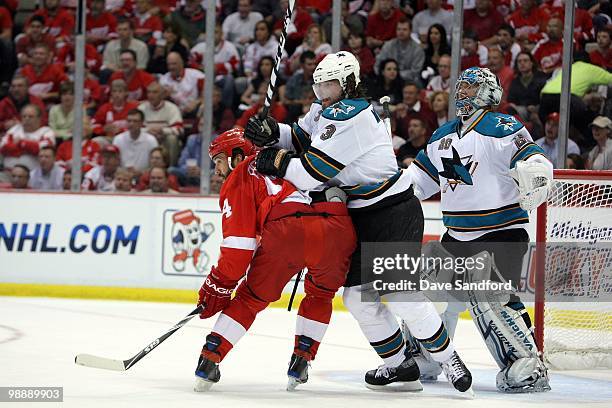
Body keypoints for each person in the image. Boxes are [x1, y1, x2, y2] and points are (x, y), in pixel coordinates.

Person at [244, 51, 473, 394]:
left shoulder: (355, 114)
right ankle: (400, 366)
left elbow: (311, 173)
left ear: (349, 81)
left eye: (330, 84)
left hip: (393, 210)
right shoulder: (328, 108)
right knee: (357, 297)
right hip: (360, 214)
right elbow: (302, 136)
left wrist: (274, 160)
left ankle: (449, 359)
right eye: (318, 84)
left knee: (399, 295)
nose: (322, 91)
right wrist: (272, 132)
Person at [405, 66, 552, 393]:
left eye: (471, 87)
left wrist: (537, 173)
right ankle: (426, 356)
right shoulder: (441, 135)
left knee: (490, 296)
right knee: (428, 287)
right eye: (461, 87)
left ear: (489, 92)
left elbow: (532, 158)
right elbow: (418, 180)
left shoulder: (502, 125)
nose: (463, 93)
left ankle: (525, 364)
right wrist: (389, 194)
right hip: (456, 236)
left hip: (501, 232)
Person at [193, 128, 356, 392]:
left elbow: (239, 249)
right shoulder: (287, 158)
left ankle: (210, 358)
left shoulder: (241, 175)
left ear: (237, 155)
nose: (217, 172)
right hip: (336, 225)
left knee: (250, 298)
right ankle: (301, 361)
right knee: (321, 295)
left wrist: (218, 283)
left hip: (288, 230)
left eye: (219, 161)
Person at [138, 81, 183, 165]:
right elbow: (135, 128)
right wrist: (148, 131)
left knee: (172, 139)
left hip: (164, 140)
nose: (151, 95)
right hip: (146, 140)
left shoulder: (172, 108)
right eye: (149, 92)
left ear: (162, 95)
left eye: (155, 92)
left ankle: (170, 169)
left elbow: (179, 129)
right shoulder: (141, 108)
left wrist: (162, 131)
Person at [0, 104, 55, 171]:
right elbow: (3, 148)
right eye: (24, 116)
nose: (26, 119)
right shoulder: (14, 129)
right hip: (8, 172)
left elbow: (43, 151)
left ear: (39, 118)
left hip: (33, 175)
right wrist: (28, 148)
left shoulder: (46, 132)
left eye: (30, 116)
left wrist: (20, 143)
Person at [374, 18, 424, 84]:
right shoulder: (388, 45)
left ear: (410, 31)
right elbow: (378, 65)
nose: (401, 32)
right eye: (399, 29)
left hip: (409, 83)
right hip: (387, 81)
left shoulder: (418, 49)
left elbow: (415, 72)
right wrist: (386, 75)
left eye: (404, 29)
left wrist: (394, 74)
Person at [112, 109, 158, 176]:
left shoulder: (151, 140)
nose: (131, 124)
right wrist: (124, 173)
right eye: (129, 121)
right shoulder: (118, 139)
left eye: (135, 121)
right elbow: (114, 163)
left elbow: (156, 164)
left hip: (144, 177)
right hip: (122, 176)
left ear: (142, 123)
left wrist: (142, 173)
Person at [507, 52, 548, 121]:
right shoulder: (515, 81)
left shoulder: (541, 78)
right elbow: (511, 100)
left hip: (539, 110)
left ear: (531, 63)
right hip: (521, 111)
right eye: (519, 61)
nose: (522, 63)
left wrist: (536, 108)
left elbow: (546, 99)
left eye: (525, 60)